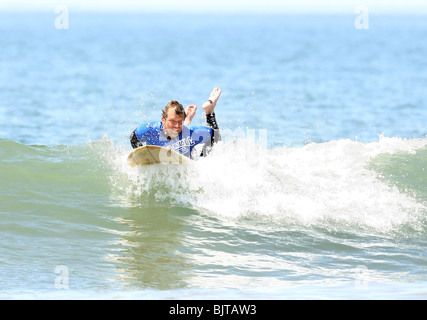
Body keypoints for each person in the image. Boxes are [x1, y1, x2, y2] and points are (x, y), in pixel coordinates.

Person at [130, 87, 221, 159]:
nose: (176, 126)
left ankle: (209, 111)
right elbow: (133, 138)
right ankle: (187, 120)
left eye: (180, 122)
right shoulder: (150, 129)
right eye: (172, 121)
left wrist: (202, 158)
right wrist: (142, 156)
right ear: (163, 120)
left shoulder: (191, 133)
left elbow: (215, 136)